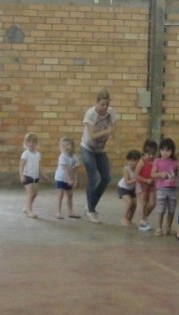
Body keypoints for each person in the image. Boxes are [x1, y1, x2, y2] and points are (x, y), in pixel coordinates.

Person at [80, 89, 117, 223]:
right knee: (93, 176)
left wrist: (117, 144)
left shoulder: (111, 112)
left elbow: (115, 129)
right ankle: (91, 211)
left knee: (106, 177)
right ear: (96, 103)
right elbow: (93, 135)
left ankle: (90, 205)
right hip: (87, 148)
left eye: (107, 104)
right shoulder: (90, 114)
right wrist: (107, 131)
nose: (104, 108)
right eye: (102, 104)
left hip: (100, 150)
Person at [151, 138, 179, 237]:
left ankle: (168, 228)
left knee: (171, 210)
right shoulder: (157, 161)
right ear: (159, 150)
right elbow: (152, 174)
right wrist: (160, 174)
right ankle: (159, 227)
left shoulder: (175, 162)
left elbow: (178, 174)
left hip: (173, 189)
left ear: (172, 151)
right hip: (161, 189)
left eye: (168, 150)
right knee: (161, 209)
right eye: (162, 150)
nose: (165, 152)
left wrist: (175, 179)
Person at [20, 132, 46, 218]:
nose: (31, 144)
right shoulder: (25, 154)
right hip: (27, 176)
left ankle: (26, 207)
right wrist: (21, 175)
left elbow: (39, 165)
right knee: (30, 193)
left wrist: (43, 174)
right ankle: (29, 210)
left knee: (35, 194)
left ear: (36, 143)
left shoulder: (38, 154)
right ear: (25, 143)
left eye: (33, 142)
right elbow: (21, 165)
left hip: (35, 177)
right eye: (29, 142)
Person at [54, 137, 81, 219]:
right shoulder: (62, 156)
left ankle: (70, 212)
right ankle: (58, 212)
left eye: (68, 145)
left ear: (72, 146)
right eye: (63, 146)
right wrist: (70, 179)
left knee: (70, 195)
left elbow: (76, 170)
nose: (66, 147)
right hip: (60, 178)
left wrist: (75, 180)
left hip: (69, 180)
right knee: (60, 195)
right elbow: (65, 169)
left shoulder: (75, 157)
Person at [134, 138, 157, 231]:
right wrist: (146, 180)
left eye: (153, 154)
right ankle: (142, 221)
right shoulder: (142, 161)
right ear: (144, 152)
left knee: (152, 203)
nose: (150, 156)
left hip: (152, 185)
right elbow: (136, 175)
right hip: (142, 184)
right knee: (143, 203)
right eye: (148, 154)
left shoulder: (156, 161)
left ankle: (144, 217)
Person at [118, 149, 140, 226]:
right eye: (129, 160)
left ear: (138, 161)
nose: (131, 162)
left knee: (134, 204)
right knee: (130, 203)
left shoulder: (139, 169)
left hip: (132, 189)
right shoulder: (127, 169)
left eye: (133, 160)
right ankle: (123, 218)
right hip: (123, 188)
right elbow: (127, 182)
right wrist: (136, 179)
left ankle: (129, 219)